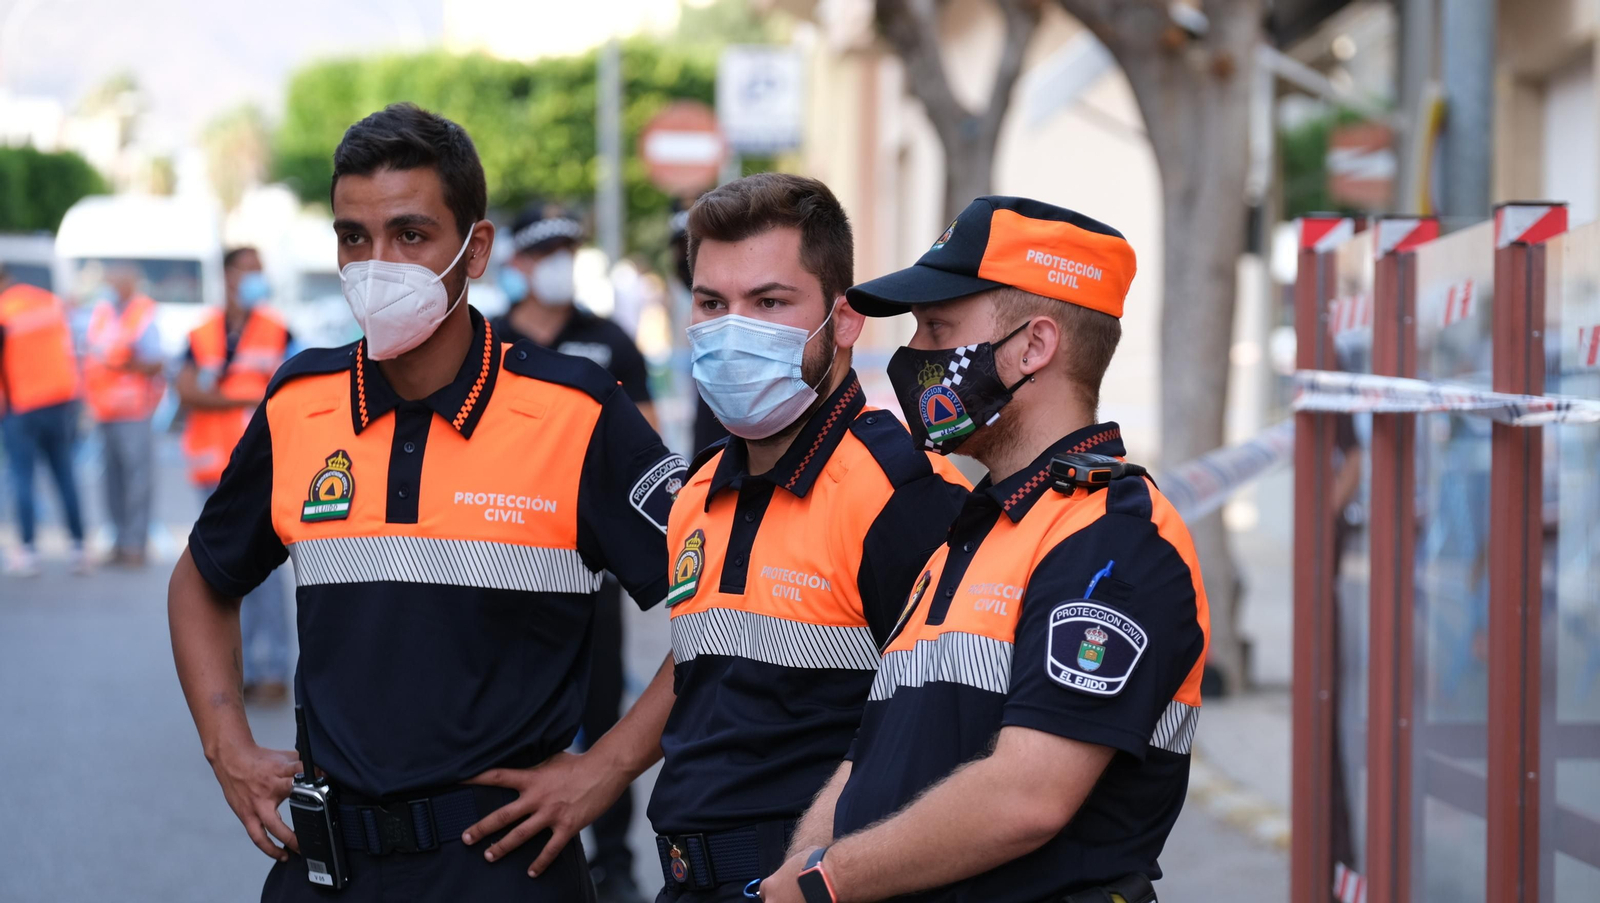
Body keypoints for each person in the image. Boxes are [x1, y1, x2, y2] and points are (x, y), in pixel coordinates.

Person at [167, 103, 685, 903]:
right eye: (353, 238)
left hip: (505, 870)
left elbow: (722, 603)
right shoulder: (301, 400)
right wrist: (225, 743)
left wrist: (607, 766)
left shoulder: (574, 409)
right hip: (327, 868)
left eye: (411, 235)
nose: (377, 264)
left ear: (473, 249)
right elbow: (203, 578)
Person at [452, 173, 971, 903]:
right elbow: (708, 653)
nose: (733, 330)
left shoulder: (903, 495)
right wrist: (602, 767)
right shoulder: (700, 491)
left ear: (845, 320)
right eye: (711, 303)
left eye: (769, 302)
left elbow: (949, 735)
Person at [757, 197, 1211, 903]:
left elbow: (1027, 796)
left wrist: (826, 884)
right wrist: (799, 868)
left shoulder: (1114, 541)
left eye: (938, 326)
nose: (915, 356)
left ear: (1034, 347)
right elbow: (871, 759)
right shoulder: (978, 529)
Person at [491, 204, 656, 903]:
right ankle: (512, 841)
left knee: (603, 711)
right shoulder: (483, 341)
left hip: (591, 567)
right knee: (507, 712)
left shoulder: (609, 340)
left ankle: (613, 859)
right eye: (546, 249)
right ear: (518, 263)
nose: (560, 260)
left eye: (569, 247)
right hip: (495, 561)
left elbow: (644, 443)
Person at [174, 247, 296, 703]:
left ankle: (272, 669)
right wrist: (248, 401)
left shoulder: (280, 332)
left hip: (267, 468)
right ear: (228, 277)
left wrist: (223, 397)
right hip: (212, 466)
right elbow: (186, 393)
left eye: (261, 272)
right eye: (249, 271)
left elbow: (297, 395)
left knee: (263, 574)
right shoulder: (202, 333)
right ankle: (235, 672)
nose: (256, 279)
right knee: (217, 573)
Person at [0, 264, 90, 576]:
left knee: (22, 477)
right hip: (60, 401)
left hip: (21, 405)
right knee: (64, 474)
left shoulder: (4, 311)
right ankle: (79, 549)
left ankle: (27, 551)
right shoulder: (47, 301)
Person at [82, 264, 164, 567]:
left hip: (133, 410)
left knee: (137, 480)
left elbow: (156, 362)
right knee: (112, 482)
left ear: (130, 284)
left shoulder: (143, 315)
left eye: (116, 281)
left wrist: (127, 366)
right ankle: (118, 540)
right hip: (105, 411)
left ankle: (134, 544)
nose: (111, 285)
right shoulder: (103, 313)